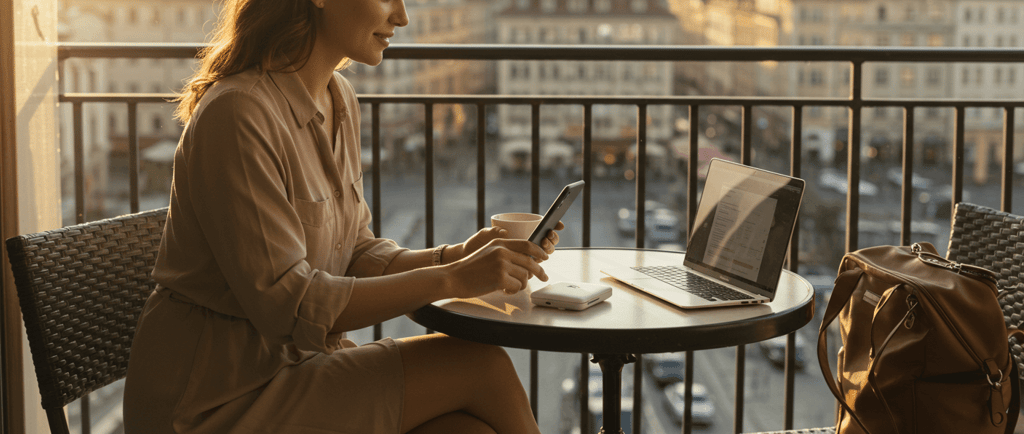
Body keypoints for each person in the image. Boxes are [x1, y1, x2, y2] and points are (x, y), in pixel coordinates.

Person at [122, 0, 562, 433]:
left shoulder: (339, 97)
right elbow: (288, 305)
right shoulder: (239, 113)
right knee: (481, 366)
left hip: (296, 367)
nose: (402, 16)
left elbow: (356, 251)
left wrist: (457, 256)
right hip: (213, 399)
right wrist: (452, 280)